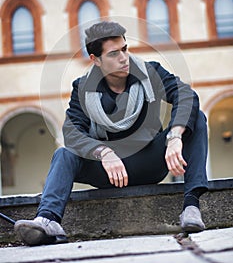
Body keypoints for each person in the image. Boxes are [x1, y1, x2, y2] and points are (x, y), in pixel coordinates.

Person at [14, 21, 208, 246]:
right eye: (114, 53)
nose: (124, 58)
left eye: (125, 49)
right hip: (109, 172)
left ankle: (192, 207)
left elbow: (185, 95)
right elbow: (73, 132)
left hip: (149, 161)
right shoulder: (82, 88)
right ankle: (47, 221)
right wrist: (103, 152)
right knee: (64, 154)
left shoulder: (149, 72)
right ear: (95, 60)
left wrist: (174, 137)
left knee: (197, 118)